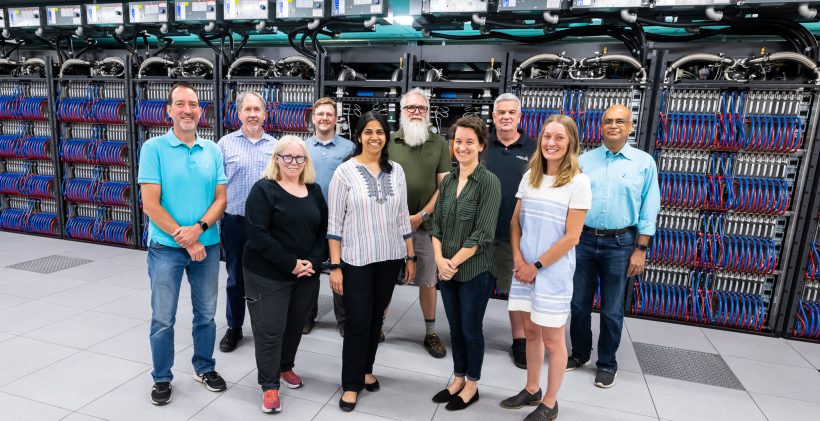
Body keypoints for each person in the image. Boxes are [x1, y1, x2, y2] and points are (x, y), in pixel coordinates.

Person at [138, 82, 228, 406]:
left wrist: (200, 229)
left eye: (193, 104)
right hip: (166, 249)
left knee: (206, 315)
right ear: (169, 110)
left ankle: (204, 367)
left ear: (200, 111)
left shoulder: (213, 150)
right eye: (180, 103)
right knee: (163, 317)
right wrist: (186, 238)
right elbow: (151, 204)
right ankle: (162, 377)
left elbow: (221, 199)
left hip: (208, 245)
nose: (187, 109)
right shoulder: (153, 148)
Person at [500, 114, 591, 420]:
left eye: (559, 138)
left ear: (571, 144)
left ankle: (550, 403)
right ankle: (531, 388)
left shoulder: (579, 182)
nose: (551, 143)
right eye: (547, 137)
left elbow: (572, 237)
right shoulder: (531, 176)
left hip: (551, 273)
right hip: (524, 269)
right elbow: (515, 222)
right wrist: (518, 259)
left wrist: (535, 266)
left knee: (553, 339)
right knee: (529, 332)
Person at [327, 111, 416, 411]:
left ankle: (366, 371)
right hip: (356, 259)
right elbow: (334, 224)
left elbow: (402, 215)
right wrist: (336, 266)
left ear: (386, 137)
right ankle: (350, 384)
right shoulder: (345, 172)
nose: (374, 137)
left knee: (376, 319)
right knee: (357, 321)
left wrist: (410, 254)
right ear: (359, 136)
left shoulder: (397, 172)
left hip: (390, 256)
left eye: (380, 132)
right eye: (368, 132)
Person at [568, 104, 660, 388]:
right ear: (601, 126)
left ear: (630, 127)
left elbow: (649, 207)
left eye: (620, 121)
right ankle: (581, 354)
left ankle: (607, 362)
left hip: (621, 243)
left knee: (611, 309)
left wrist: (640, 249)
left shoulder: (644, 163)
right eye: (608, 121)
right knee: (579, 304)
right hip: (584, 240)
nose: (613, 125)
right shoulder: (584, 160)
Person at [243, 135, 327, 413]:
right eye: (287, 157)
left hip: (305, 274)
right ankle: (269, 386)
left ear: (306, 161)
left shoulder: (314, 190)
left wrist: (313, 261)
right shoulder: (263, 190)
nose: (293, 162)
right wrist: (290, 263)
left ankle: (285, 367)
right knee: (269, 331)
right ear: (276, 159)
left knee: (294, 326)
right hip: (267, 273)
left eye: (299, 157)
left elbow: (322, 232)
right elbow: (257, 235)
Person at [430, 115, 501, 411]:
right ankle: (457, 378)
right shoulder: (448, 181)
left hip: (474, 270)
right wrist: (438, 259)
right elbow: (436, 226)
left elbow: (483, 234)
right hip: (446, 268)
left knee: (471, 329)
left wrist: (452, 263)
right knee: (455, 329)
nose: (462, 147)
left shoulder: (489, 182)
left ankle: (472, 384)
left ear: (481, 145)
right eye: (458, 141)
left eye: (469, 142)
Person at [388, 88, 451, 358]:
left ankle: (430, 332)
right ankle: (377, 326)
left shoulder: (439, 143)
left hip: (425, 226)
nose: (416, 112)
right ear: (402, 112)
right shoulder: (388, 140)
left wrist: (421, 216)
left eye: (421, 108)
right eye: (410, 108)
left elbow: (445, 185)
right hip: (389, 227)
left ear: (428, 112)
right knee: (385, 279)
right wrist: (401, 219)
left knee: (428, 281)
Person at [217, 91, 277, 353]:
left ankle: (266, 327)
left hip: (268, 225)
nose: (253, 114)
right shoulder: (225, 145)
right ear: (239, 113)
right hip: (235, 222)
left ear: (265, 113)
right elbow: (216, 186)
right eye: (247, 109)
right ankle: (234, 327)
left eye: (257, 109)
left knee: (268, 277)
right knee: (235, 278)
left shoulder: (276, 147)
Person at [484, 93, 536, 369]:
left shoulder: (534, 148)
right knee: (476, 287)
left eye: (511, 112)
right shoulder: (482, 147)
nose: (505, 117)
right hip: (480, 234)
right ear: (493, 117)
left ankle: (520, 341)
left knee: (516, 292)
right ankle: (471, 334)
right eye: (500, 112)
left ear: (519, 117)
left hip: (514, 235)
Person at [303, 97, 355, 336]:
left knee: (339, 269)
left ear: (336, 119)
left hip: (340, 220)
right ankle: (306, 317)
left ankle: (344, 320)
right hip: (309, 220)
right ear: (313, 118)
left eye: (329, 114)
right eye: (320, 114)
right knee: (308, 270)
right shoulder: (302, 147)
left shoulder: (349, 148)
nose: (324, 118)